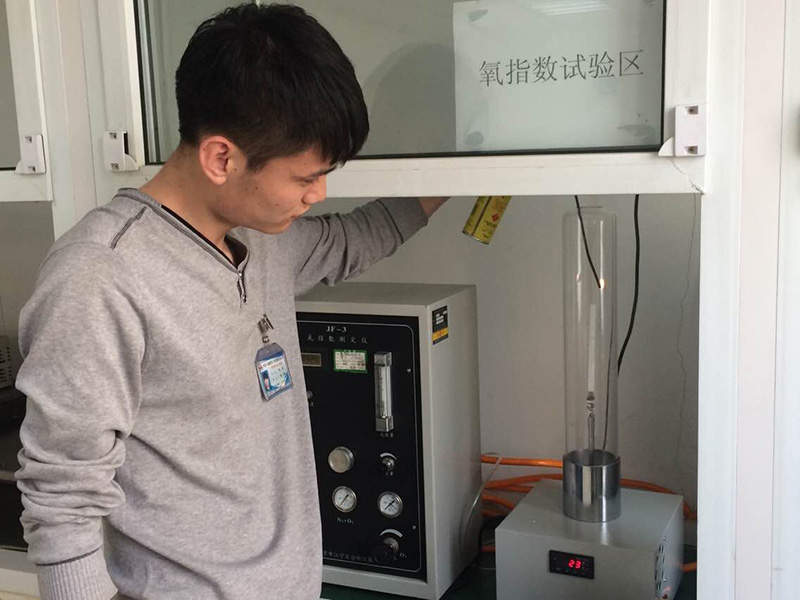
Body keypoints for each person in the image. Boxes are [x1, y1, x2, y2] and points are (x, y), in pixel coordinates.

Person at [14, 4, 447, 599]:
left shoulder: (263, 239)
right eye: (305, 178)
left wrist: (473, 164)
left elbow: (356, 239)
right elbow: (63, 500)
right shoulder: (99, 276)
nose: (319, 194)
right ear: (222, 158)